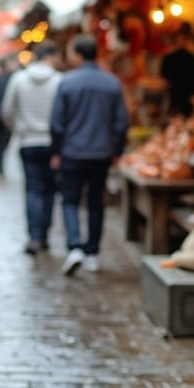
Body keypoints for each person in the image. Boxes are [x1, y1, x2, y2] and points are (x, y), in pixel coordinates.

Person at [51, 34, 129, 276]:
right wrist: (116, 150)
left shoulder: (67, 82)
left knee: (70, 200)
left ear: (77, 54)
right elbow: (121, 122)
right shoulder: (112, 83)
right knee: (96, 202)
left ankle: (74, 246)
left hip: (72, 151)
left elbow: (57, 123)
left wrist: (56, 150)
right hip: (101, 152)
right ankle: (92, 252)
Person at [2, 43, 62, 255]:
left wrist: (18, 128)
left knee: (32, 189)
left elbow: (7, 111)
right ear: (51, 56)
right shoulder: (58, 80)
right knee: (49, 191)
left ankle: (34, 236)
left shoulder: (19, 79)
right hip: (52, 143)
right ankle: (44, 234)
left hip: (27, 141)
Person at [160, 22, 194, 116]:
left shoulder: (169, 58)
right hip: (189, 102)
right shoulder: (193, 59)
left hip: (175, 101)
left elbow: (164, 81)